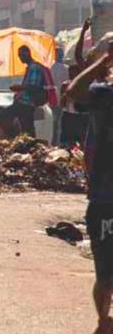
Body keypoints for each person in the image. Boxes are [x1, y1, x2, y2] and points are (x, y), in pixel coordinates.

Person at [66, 43, 113, 334]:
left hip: (104, 198)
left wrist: (104, 60)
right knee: (106, 273)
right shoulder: (104, 96)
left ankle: (103, 322)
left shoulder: (103, 95)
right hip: (105, 197)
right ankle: (104, 322)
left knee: (106, 273)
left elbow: (74, 90)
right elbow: (74, 92)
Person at [0, 46, 46, 137]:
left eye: (21, 55)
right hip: (22, 102)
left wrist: (19, 87)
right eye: (19, 55)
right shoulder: (29, 67)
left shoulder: (34, 67)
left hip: (27, 103)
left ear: (27, 53)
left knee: (26, 127)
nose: (20, 58)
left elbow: (34, 86)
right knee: (25, 127)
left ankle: (27, 143)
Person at [51, 47, 69, 145]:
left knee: (54, 122)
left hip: (54, 100)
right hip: (63, 100)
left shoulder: (51, 69)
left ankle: (54, 142)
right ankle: (58, 142)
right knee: (60, 123)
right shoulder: (66, 68)